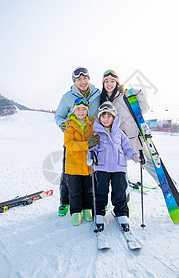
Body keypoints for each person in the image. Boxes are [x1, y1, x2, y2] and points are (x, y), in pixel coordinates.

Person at [55, 67, 101, 216]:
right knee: (69, 172)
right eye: (78, 79)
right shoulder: (68, 97)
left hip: (92, 138)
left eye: (84, 78)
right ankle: (65, 202)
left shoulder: (97, 94)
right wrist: (63, 124)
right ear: (74, 81)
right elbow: (59, 116)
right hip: (74, 138)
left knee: (92, 172)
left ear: (88, 78)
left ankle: (93, 202)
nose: (82, 81)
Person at [88, 102, 140, 231]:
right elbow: (92, 149)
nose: (106, 119)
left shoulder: (120, 134)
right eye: (103, 116)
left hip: (118, 168)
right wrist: (90, 156)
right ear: (100, 118)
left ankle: (121, 213)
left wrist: (134, 156)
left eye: (109, 116)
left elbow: (127, 148)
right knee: (100, 192)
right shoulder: (97, 135)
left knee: (119, 192)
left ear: (114, 118)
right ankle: (99, 213)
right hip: (102, 168)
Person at [100, 69, 158, 184]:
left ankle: (169, 189)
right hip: (119, 143)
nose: (109, 84)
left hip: (136, 140)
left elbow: (143, 109)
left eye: (112, 81)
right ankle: (125, 198)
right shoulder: (103, 101)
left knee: (152, 166)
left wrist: (138, 93)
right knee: (120, 174)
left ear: (117, 83)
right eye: (106, 81)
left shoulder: (124, 97)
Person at [64, 98, 100, 226]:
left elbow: (97, 139)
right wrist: (86, 144)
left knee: (88, 189)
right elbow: (69, 144)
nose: (81, 111)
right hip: (73, 164)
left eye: (84, 109)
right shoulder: (70, 125)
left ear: (87, 111)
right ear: (74, 111)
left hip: (88, 164)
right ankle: (75, 211)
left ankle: (87, 209)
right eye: (78, 109)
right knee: (75, 190)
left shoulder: (91, 124)